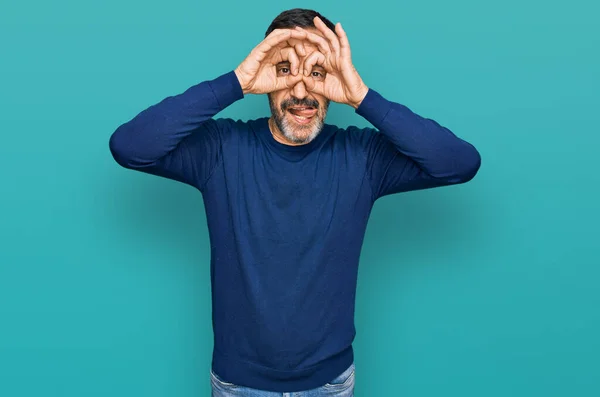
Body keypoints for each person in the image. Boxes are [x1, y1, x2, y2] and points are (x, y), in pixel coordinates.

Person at [109, 8, 481, 397]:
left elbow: (458, 163)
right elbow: (130, 147)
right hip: (239, 385)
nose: (301, 92)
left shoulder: (363, 158)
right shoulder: (221, 150)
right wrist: (236, 82)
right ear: (266, 76)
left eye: (316, 73)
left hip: (329, 384)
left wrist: (362, 97)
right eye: (285, 70)